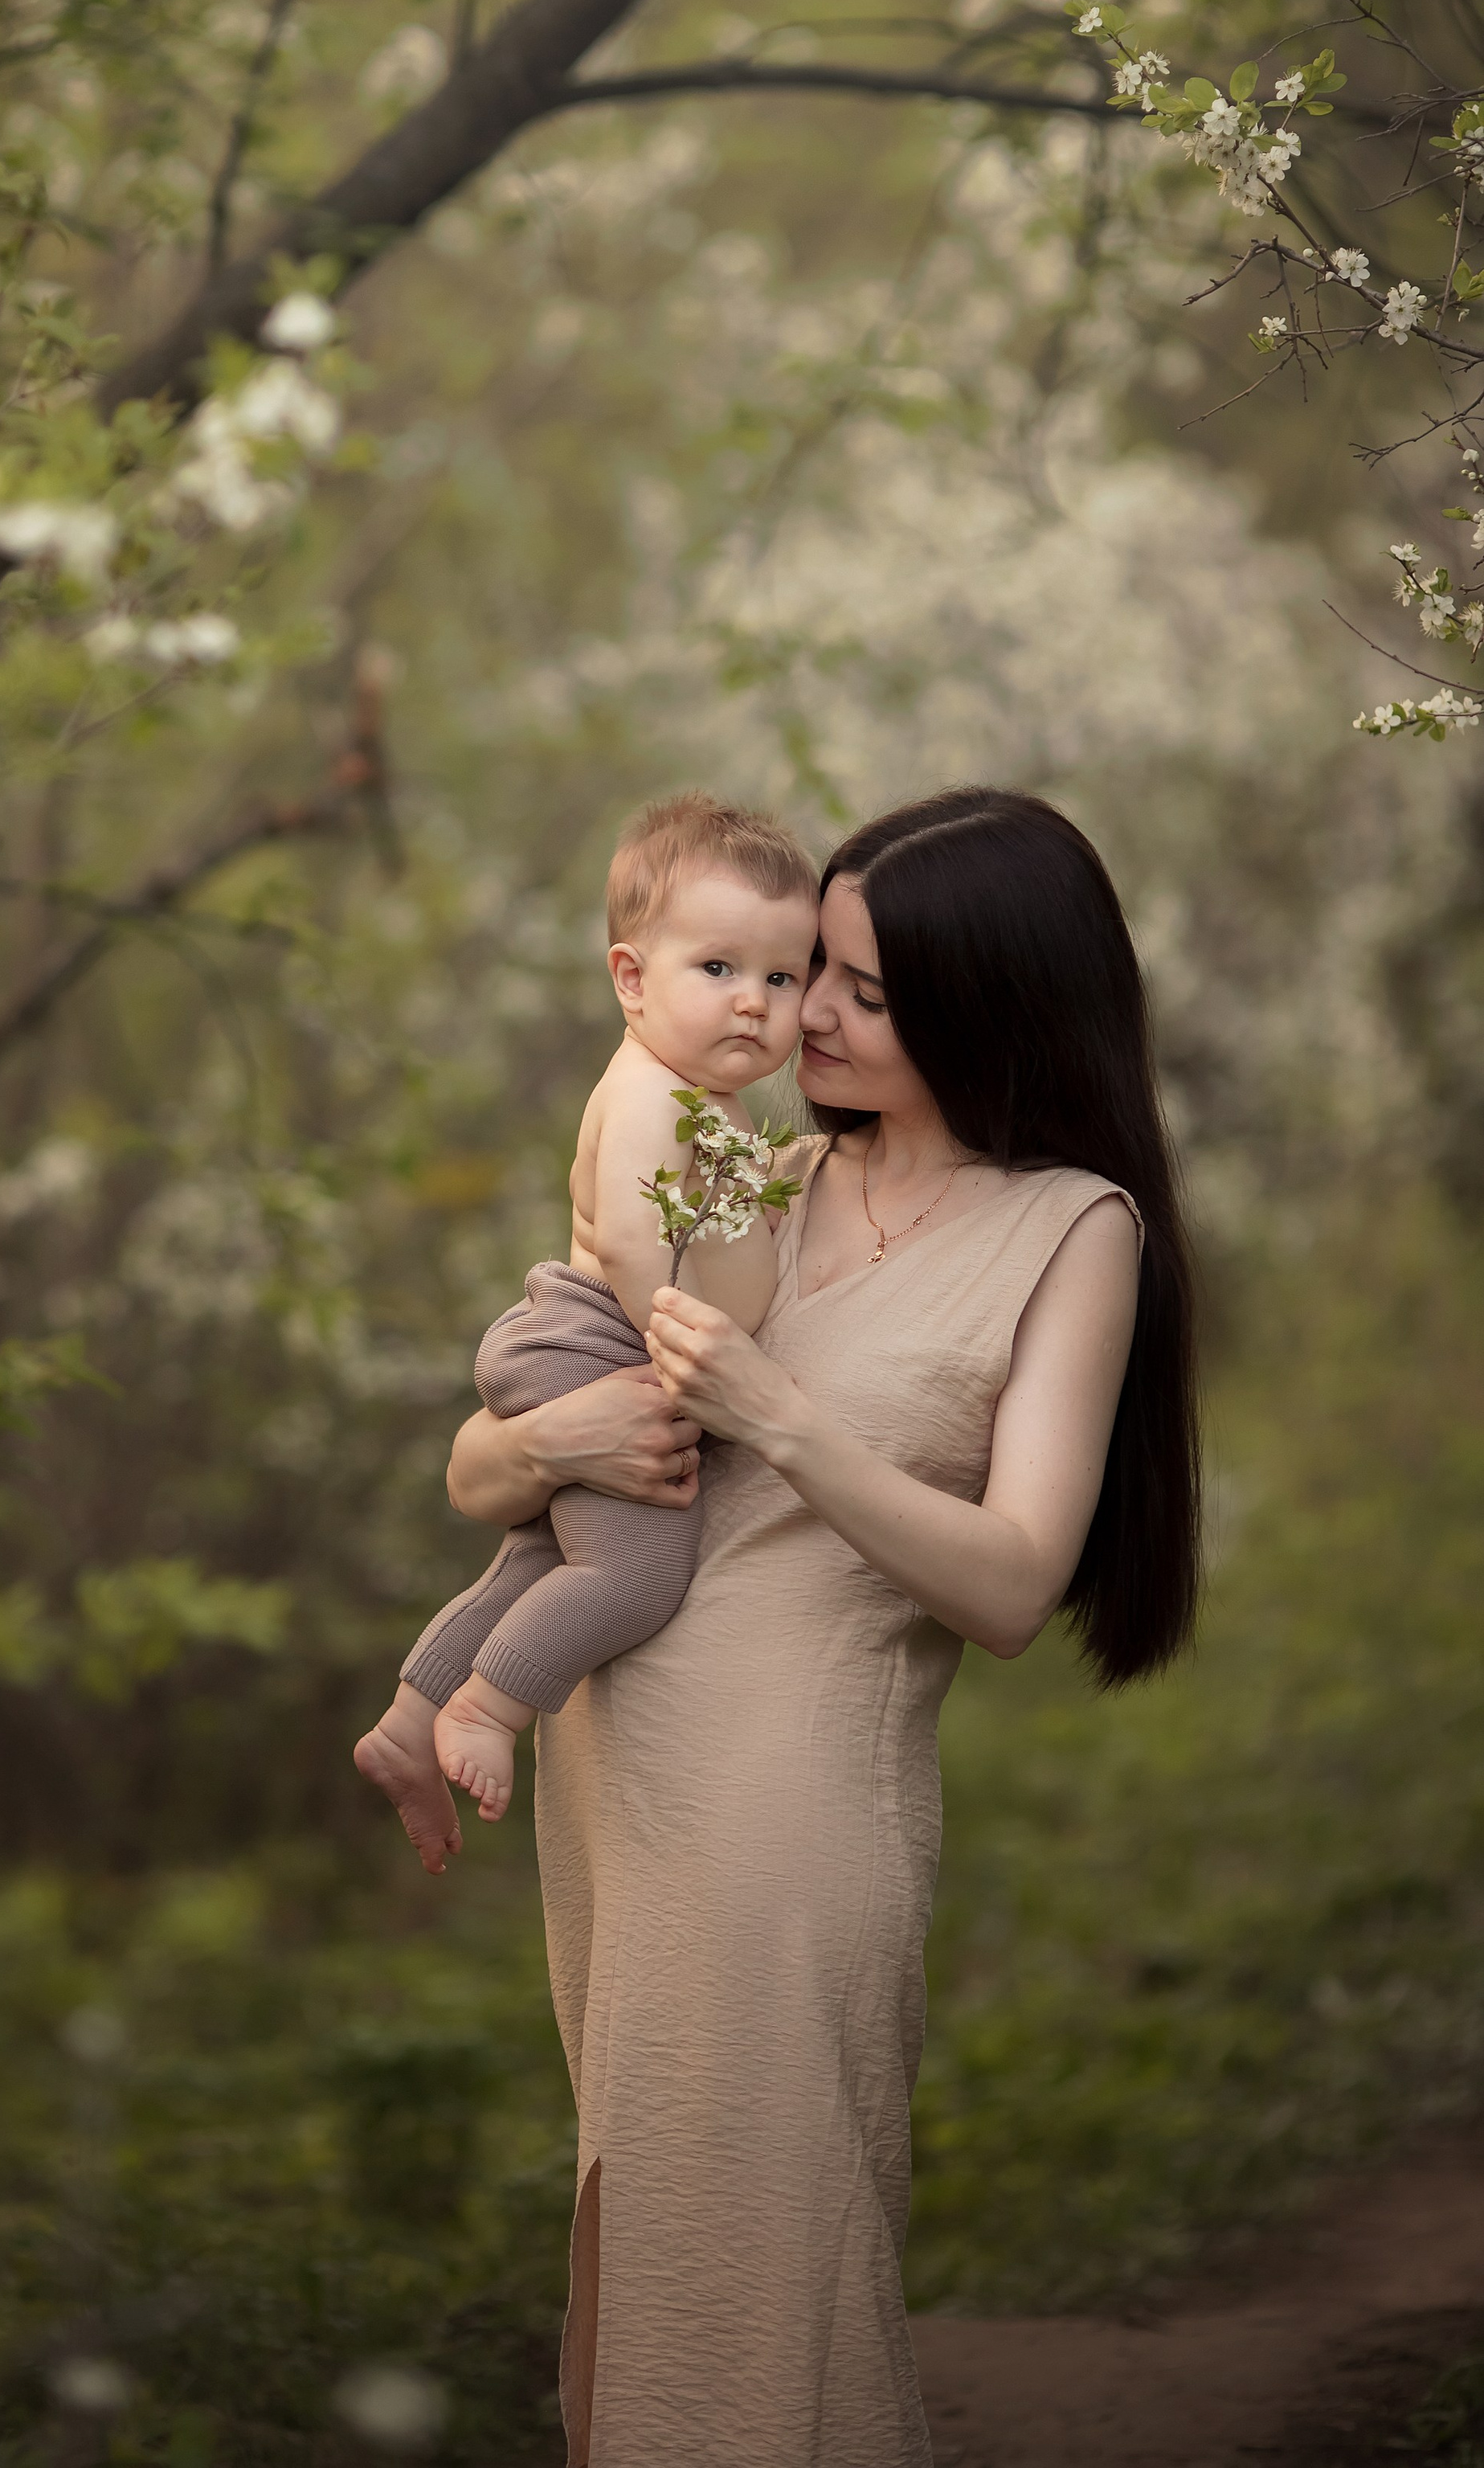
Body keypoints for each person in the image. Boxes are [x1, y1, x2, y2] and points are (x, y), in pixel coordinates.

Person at [443, 787, 1202, 2468]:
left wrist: (781, 1419)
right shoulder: (752, 1172)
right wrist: (553, 1440)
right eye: (807, 974)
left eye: (860, 988)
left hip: (796, 1809)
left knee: (773, 2246)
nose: (806, 1018)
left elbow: (1011, 1585)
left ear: (990, 1002)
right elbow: (477, 1467)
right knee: (644, 2242)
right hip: (617, 1787)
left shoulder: (1071, 1228)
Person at [355, 792, 819, 1864]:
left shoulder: (705, 1096)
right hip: (603, 1343)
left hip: (584, 1340)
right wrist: (684, 1361)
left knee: (539, 1559)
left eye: (781, 978)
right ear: (631, 979)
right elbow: (631, 1239)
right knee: (635, 1576)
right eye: (718, 968)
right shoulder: (654, 1094)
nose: (751, 1003)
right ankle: (493, 1709)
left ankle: (411, 1722)